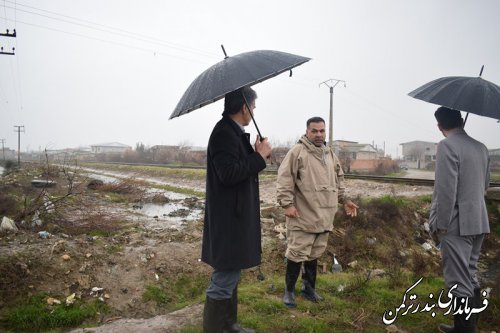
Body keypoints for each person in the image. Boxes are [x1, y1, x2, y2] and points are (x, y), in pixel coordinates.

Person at [201, 86, 272, 333]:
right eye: (253, 107)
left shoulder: (232, 132)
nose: (253, 111)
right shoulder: (223, 134)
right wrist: (260, 157)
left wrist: (254, 154)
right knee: (223, 280)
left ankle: (228, 326)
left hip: (234, 217)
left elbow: (236, 166)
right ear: (244, 107)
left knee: (231, 276)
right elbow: (229, 173)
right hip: (228, 221)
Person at [276, 116, 358, 308]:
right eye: (314, 131)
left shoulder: (329, 154)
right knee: (296, 254)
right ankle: (289, 292)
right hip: (302, 215)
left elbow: (339, 179)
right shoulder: (297, 152)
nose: (319, 134)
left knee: (314, 255)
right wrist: (287, 204)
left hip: (325, 216)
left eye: (322, 131)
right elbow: (284, 179)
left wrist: (345, 200)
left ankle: (308, 289)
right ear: (307, 131)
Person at [429, 107, 490, 333]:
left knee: (458, 279)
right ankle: (470, 326)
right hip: (479, 221)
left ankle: (465, 330)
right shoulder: (481, 147)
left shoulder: (446, 146)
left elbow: (446, 191)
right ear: (460, 122)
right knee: (470, 272)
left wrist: (441, 226)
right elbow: (485, 186)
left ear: (440, 126)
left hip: (456, 222)